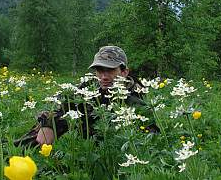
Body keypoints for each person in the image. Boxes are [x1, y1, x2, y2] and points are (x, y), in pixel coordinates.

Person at [14, 46, 149, 147]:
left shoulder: (134, 96)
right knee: (53, 119)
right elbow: (61, 100)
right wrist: (49, 123)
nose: (104, 77)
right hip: (87, 137)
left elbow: (149, 134)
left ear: (124, 72)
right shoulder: (90, 85)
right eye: (100, 70)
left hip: (114, 146)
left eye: (110, 70)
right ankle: (20, 149)